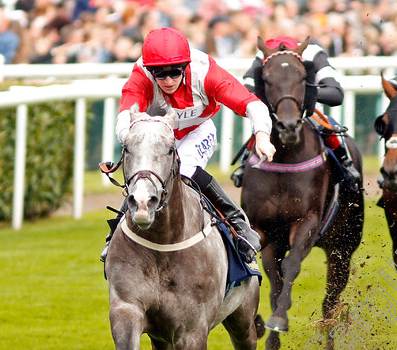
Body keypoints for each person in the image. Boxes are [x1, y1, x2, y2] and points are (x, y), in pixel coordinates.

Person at [100, 27, 276, 264]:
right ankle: (115, 234)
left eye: (175, 72)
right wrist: (135, 134)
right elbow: (123, 118)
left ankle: (239, 224)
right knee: (147, 175)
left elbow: (252, 105)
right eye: (160, 75)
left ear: (186, 65)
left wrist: (263, 136)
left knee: (184, 171)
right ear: (150, 71)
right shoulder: (140, 73)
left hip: (197, 131)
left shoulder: (206, 72)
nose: (169, 80)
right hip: (157, 134)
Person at [232, 35, 360, 192]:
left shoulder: (313, 52)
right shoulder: (263, 56)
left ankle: (346, 166)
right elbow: (244, 93)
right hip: (276, 113)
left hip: (306, 111)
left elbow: (335, 93)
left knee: (330, 123)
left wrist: (304, 94)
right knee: (260, 130)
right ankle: (245, 164)